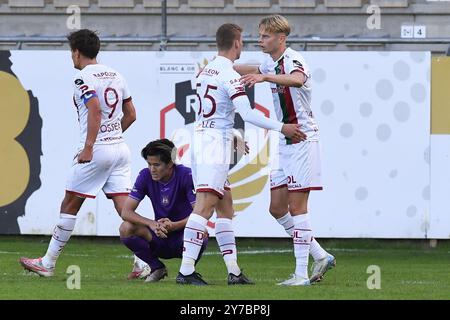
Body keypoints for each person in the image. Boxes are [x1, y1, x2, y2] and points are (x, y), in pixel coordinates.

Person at [176, 23, 305, 285]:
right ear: (236, 43)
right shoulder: (229, 74)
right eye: (243, 41)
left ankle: (234, 271)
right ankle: (186, 270)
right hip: (215, 145)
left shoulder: (205, 72)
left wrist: (233, 136)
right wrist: (283, 128)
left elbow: (215, 113)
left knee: (226, 209)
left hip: (203, 139)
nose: (244, 45)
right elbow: (247, 114)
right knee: (203, 207)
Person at [19, 29, 147, 278]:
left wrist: (90, 146)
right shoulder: (116, 75)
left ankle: (47, 263)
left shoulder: (82, 79)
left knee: (69, 203)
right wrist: (112, 136)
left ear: (76, 53)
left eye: (71, 53)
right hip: (120, 149)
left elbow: (95, 108)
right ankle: (143, 262)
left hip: (97, 152)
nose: (72, 57)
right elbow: (131, 114)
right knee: (125, 210)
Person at [236, 15, 336, 286]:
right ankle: (320, 254)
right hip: (284, 142)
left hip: (303, 139)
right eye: (260, 35)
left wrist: (264, 76)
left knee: (297, 207)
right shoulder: (269, 62)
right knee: (277, 208)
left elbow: (297, 79)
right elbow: (246, 67)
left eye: (266, 36)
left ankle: (301, 274)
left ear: (281, 38)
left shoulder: (293, 59)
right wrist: (222, 66)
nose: (260, 40)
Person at [119, 139, 208, 282]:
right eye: (149, 164)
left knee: (202, 233)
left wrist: (174, 225)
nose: (152, 169)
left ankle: (186, 272)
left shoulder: (187, 175)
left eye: (157, 165)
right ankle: (157, 268)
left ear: (170, 163)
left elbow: (199, 212)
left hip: (183, 237)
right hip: (160, 236)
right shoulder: (145, 176)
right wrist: (152, 224)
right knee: (125, 228)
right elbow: (126, 212)